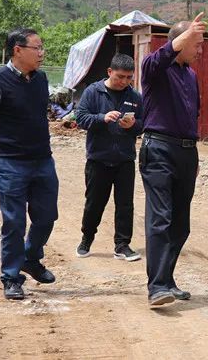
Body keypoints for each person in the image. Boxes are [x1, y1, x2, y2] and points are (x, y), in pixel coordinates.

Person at [0, 28, 59, 301]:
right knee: (14, 222)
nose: (42, 53)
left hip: (42, 160)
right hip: (10, 164)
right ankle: (11, 277)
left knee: (46, 216)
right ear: (18, 50)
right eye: (37, 48)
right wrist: (2, 150)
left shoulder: (41, 79)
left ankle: (31, 258)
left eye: (42, 47)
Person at [139, 12, 207, 308]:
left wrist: (192, 151)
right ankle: (156, 287)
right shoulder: (155, 68)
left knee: (181, 224)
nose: (200, 50)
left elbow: (194, 115)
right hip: (159, 149)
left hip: (185, 151)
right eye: (197, 44)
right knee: (161, 218)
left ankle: (167, 279)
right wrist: (183, 37)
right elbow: (161, 58)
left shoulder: (190, 75)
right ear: (180, 43)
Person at [74, 53, 144, 262]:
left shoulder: (134, 97)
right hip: (98, 159)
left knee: (125, 205)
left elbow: (143, 125)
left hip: (124, 160)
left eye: (128, 77)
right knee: (94, 203)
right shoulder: (93, 92)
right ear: (110, 72)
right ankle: (87, 237)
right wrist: (101, 118)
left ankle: (122, 245)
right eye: (120, 76)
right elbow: (81, 118)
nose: (124, 81)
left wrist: (133, 126)